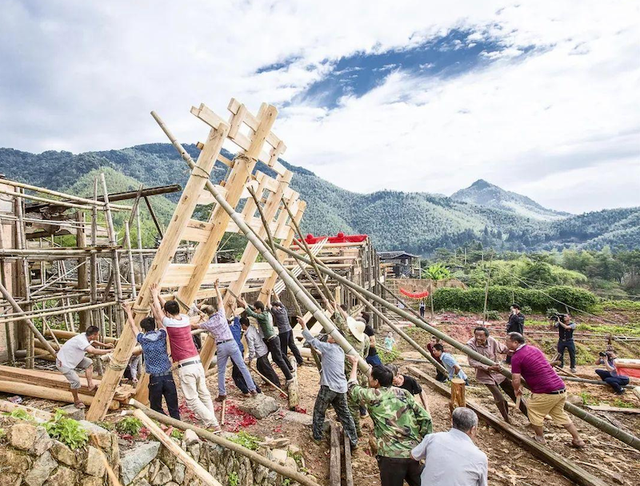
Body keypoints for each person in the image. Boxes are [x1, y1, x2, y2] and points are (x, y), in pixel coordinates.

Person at [347, 356, 432, 486]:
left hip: (390, 456)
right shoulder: (404, 393)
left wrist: (354, 364)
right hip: (413, 452)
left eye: (370, 377)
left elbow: (352, 387)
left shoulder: (372, 396)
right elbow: (425, 418)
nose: (368, 379)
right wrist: (423, 443)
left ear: (376, 382)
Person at [150, 283, 220, 431]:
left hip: (186, 366)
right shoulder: (185, 318)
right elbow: (167, 308)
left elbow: (159, 311)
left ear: (168, 313)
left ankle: (212, 423)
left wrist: (155, 295)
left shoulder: (169, 323)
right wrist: (160, 296)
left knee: (192, 400)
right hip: (197, 362)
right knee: (204, 394)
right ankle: (211, 422)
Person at [506, 332, 585, 447]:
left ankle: (540, 438)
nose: (506, 343)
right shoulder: (534, 349)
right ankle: (577, 439)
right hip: (560, 388)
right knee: (560, 414)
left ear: (515, 342)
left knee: (533, 410)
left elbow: (516, 378)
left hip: (545, 391)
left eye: (507, 340)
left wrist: (516, 389)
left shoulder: (517, 357)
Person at [298, 316, 357, 448]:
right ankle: (354, 440)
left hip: (329, 387)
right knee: (345, 414)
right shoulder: (340, 350)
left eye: (331, 334)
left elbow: (313, 341)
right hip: (341, 388)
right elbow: (325, 354)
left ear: (336, 339)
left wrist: (304, 326)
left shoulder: (329, 348)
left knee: (319, 411)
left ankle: (317, 437)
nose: (329, 335)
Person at [195, 280, 257, 400]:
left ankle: (222, 393)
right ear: (215, 311)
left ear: (208, 314)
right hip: (231, 343)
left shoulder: (208, 323)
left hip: (221, 346)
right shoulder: (222, 315)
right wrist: (216, 288)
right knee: (242, 367)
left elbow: (196, 326)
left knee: (221, 371)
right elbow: (219, 301)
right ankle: (252, 389)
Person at [122, 303, 180, 420]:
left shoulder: (143, 339)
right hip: (168, 376)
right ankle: (178, 424)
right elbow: (159, 319)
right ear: (154, 327)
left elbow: (133, 327)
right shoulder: (162, 334)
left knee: (155, 407)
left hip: (155, 379)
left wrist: (128, 311)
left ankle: (165, 421)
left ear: (143, 329)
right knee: (173, 407)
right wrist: (153, 307)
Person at [411, 407, 488, 486]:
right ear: (473, 429)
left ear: (452, 422)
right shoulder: (480, 457)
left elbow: (413, 455)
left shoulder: (433, 438)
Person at [467, 327, 527, 423]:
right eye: (476, 335)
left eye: (481, 336)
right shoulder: (470, 345)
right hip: (485, 375)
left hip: (498, 373)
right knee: (500, 398)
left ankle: (530, 417)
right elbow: (472, 362)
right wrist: (489, 367)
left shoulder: (492, 341)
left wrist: (517, 353)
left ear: (487, 336)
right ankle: (507, 420)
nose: (478, 338)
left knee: (513, 392)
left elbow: (504, 349)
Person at [237, 295, 294, 383]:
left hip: (273, 340)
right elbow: (253, 311)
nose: (255, 311)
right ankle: (289, 369)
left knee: (278, 359)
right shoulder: (265, 313)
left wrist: (244, 304)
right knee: (279, 356)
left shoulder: (263, 316)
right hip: (271, 340)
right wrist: (244, 304)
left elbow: (252, 314)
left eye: (256, 309)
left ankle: (289, 377)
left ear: (259, 309)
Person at [55, 326, 113, 408]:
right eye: (97, 335)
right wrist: (109, 351)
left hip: (74, 358)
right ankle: (76, 401)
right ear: (92, 335)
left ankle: (90, 385)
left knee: (89, 363)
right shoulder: (81, 340)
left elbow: (93, 342)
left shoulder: (85, 336)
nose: (98, 336)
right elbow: (92, 350)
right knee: (75, 381)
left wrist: (105, 345)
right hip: (64, 363)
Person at [241, 316, 281, 388]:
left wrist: (250, 360)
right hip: (262, 349)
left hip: (261, 352)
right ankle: (268, 381)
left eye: (241, 326)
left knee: (267, 368)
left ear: (243, 325)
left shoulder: (249, 335)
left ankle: (276, 384)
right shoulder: (252, 327)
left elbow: (251, 349)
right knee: (260, 368)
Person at [229, 305, 261, 395]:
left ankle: (247, 390)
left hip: (235, 353)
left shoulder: (226, 331)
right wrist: (232, 308)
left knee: (237, 375)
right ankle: (254, 389)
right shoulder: (237, 326)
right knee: (242, 372)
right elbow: (236, 317)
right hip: (240, 351)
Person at [270, 292, 304, 368]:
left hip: (283, 332)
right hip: (289, 330)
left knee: (283, 348)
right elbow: (278, 300)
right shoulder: (283, 309)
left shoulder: (276, 312)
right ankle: (300, 360)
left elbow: (268, 305)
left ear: (275, 307)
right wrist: (274, 292)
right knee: (292, 346)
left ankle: (285, 364)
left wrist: (268, 295)